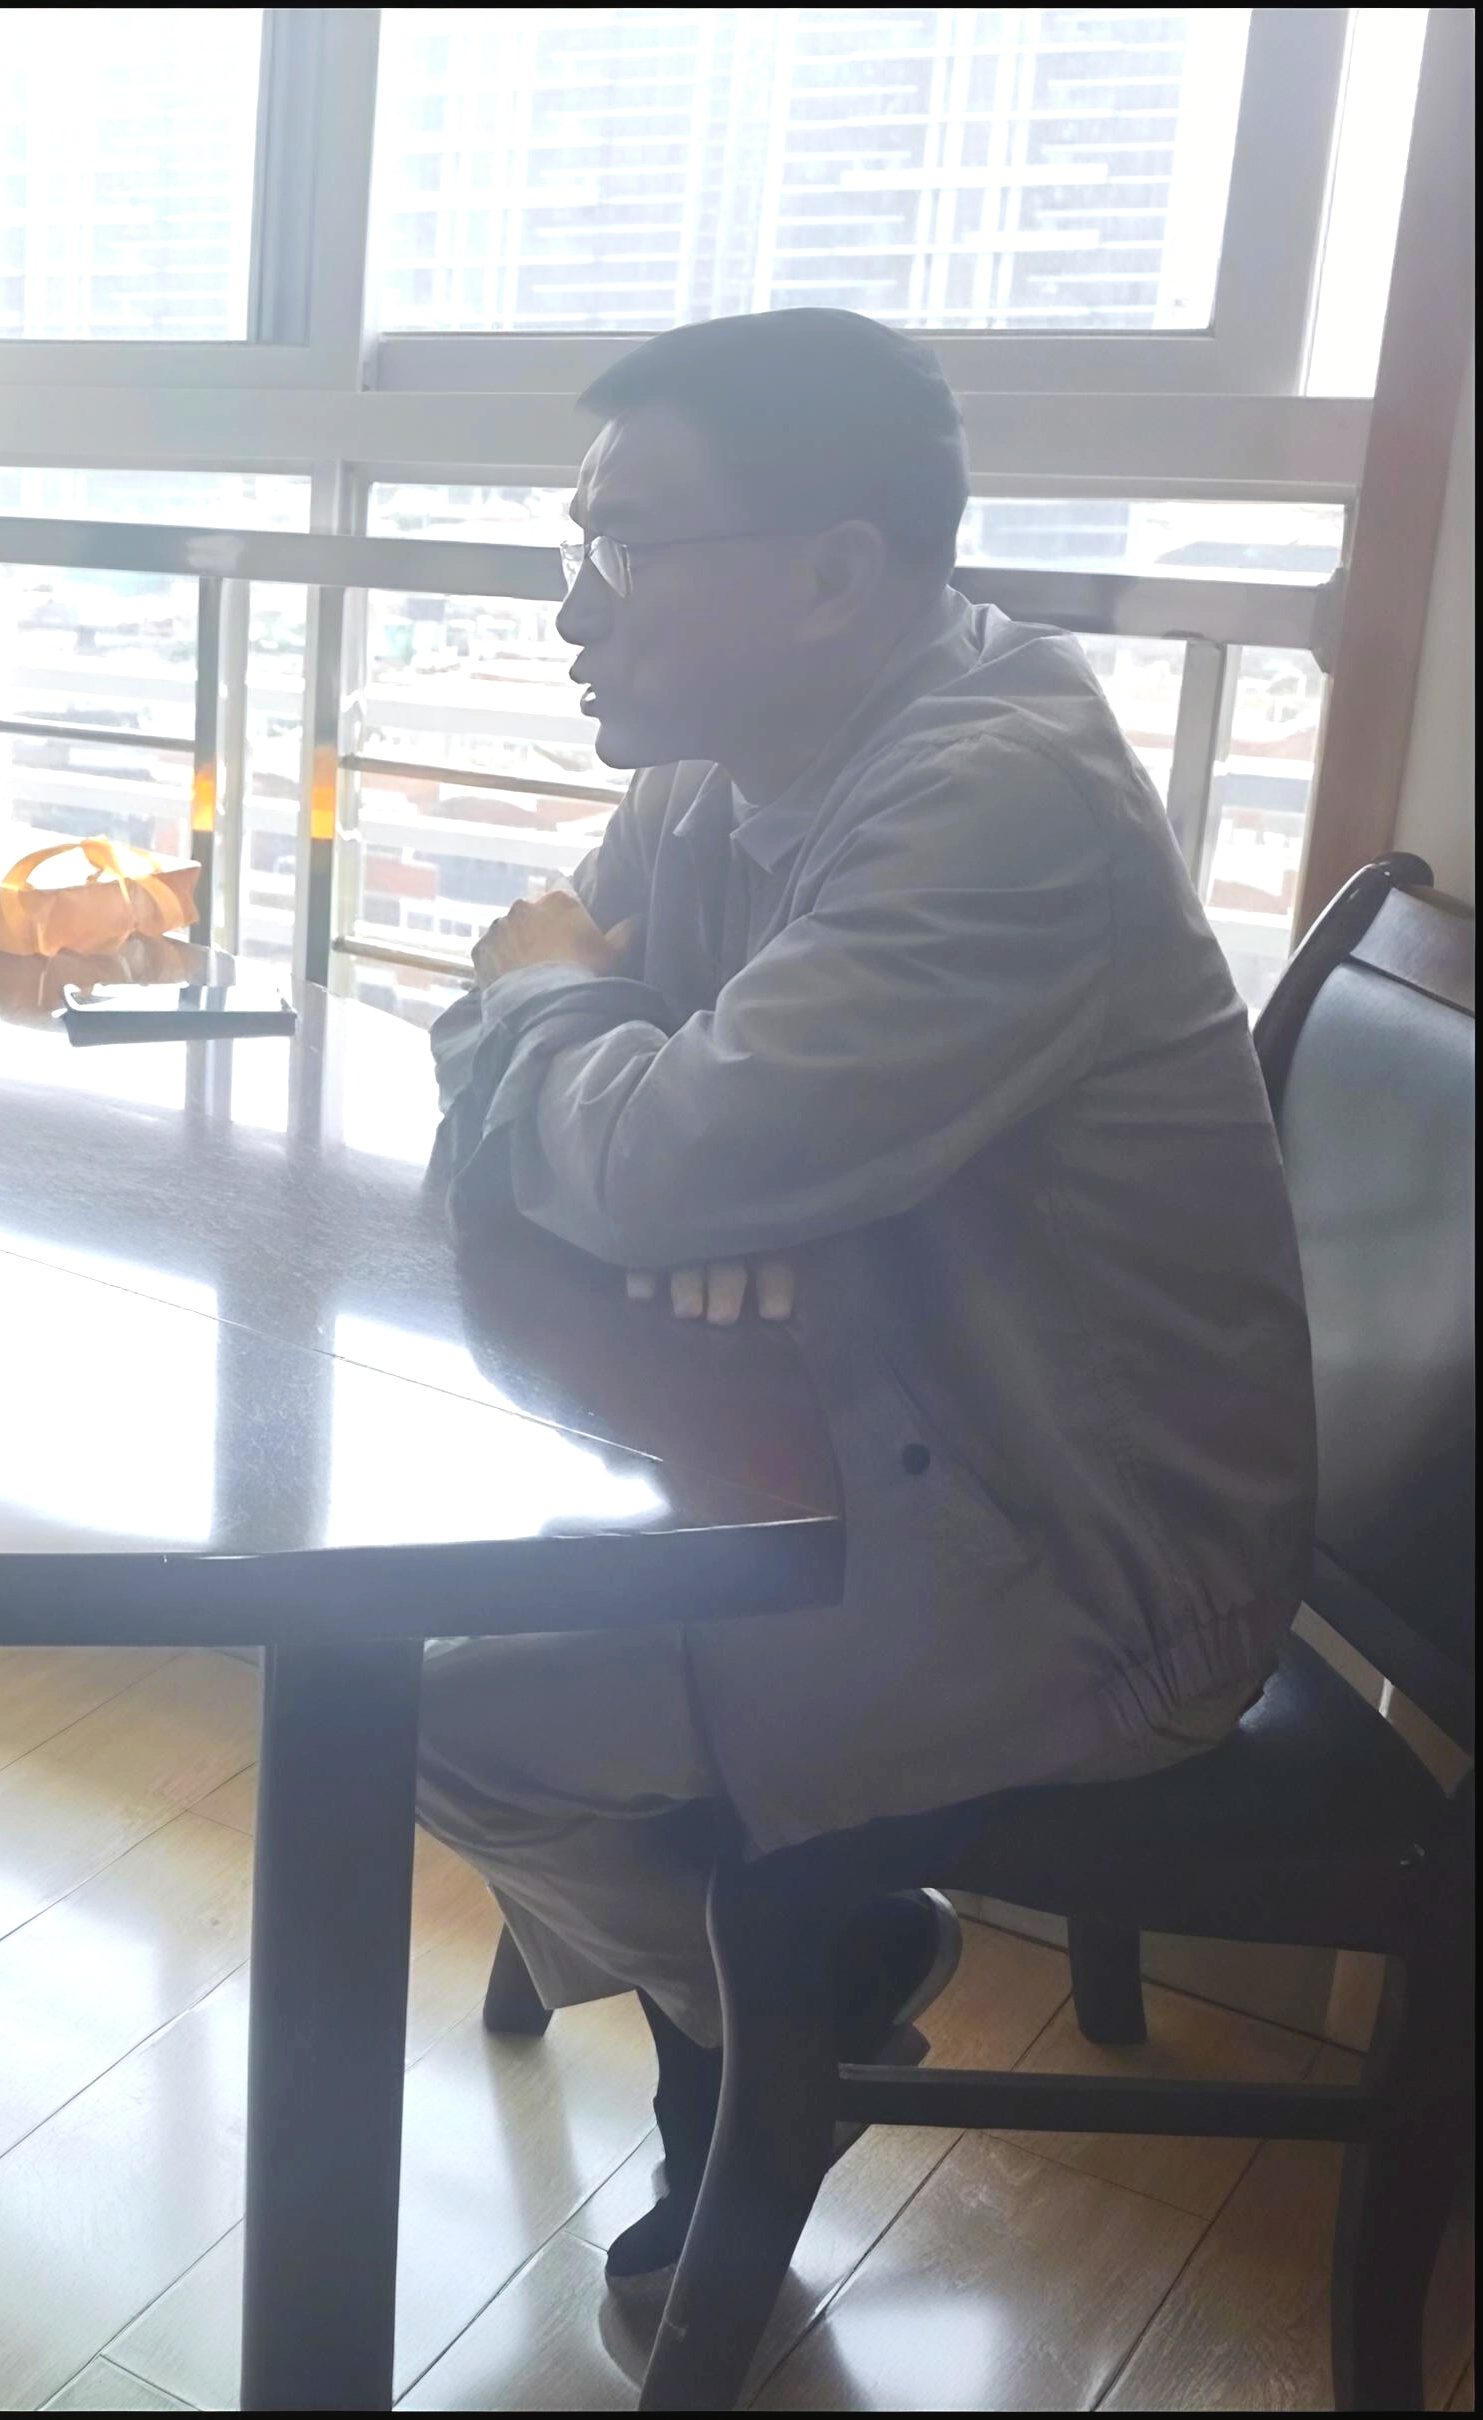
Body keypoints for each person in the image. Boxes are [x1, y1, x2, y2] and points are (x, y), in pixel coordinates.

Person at [419, 308, 1311, 2301]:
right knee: (473, 1655)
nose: (573, 605)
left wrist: (596, 1066)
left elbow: (619, 1123)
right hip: (853, 1431)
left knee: (450, 1710)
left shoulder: (997, 802)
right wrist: (617, 1095)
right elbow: (555, 1085)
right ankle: (803, 1986)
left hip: (1088, 1560)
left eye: (623, 544)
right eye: (576, 539)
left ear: (830, 574)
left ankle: (769, 2034)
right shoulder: (719, 768)